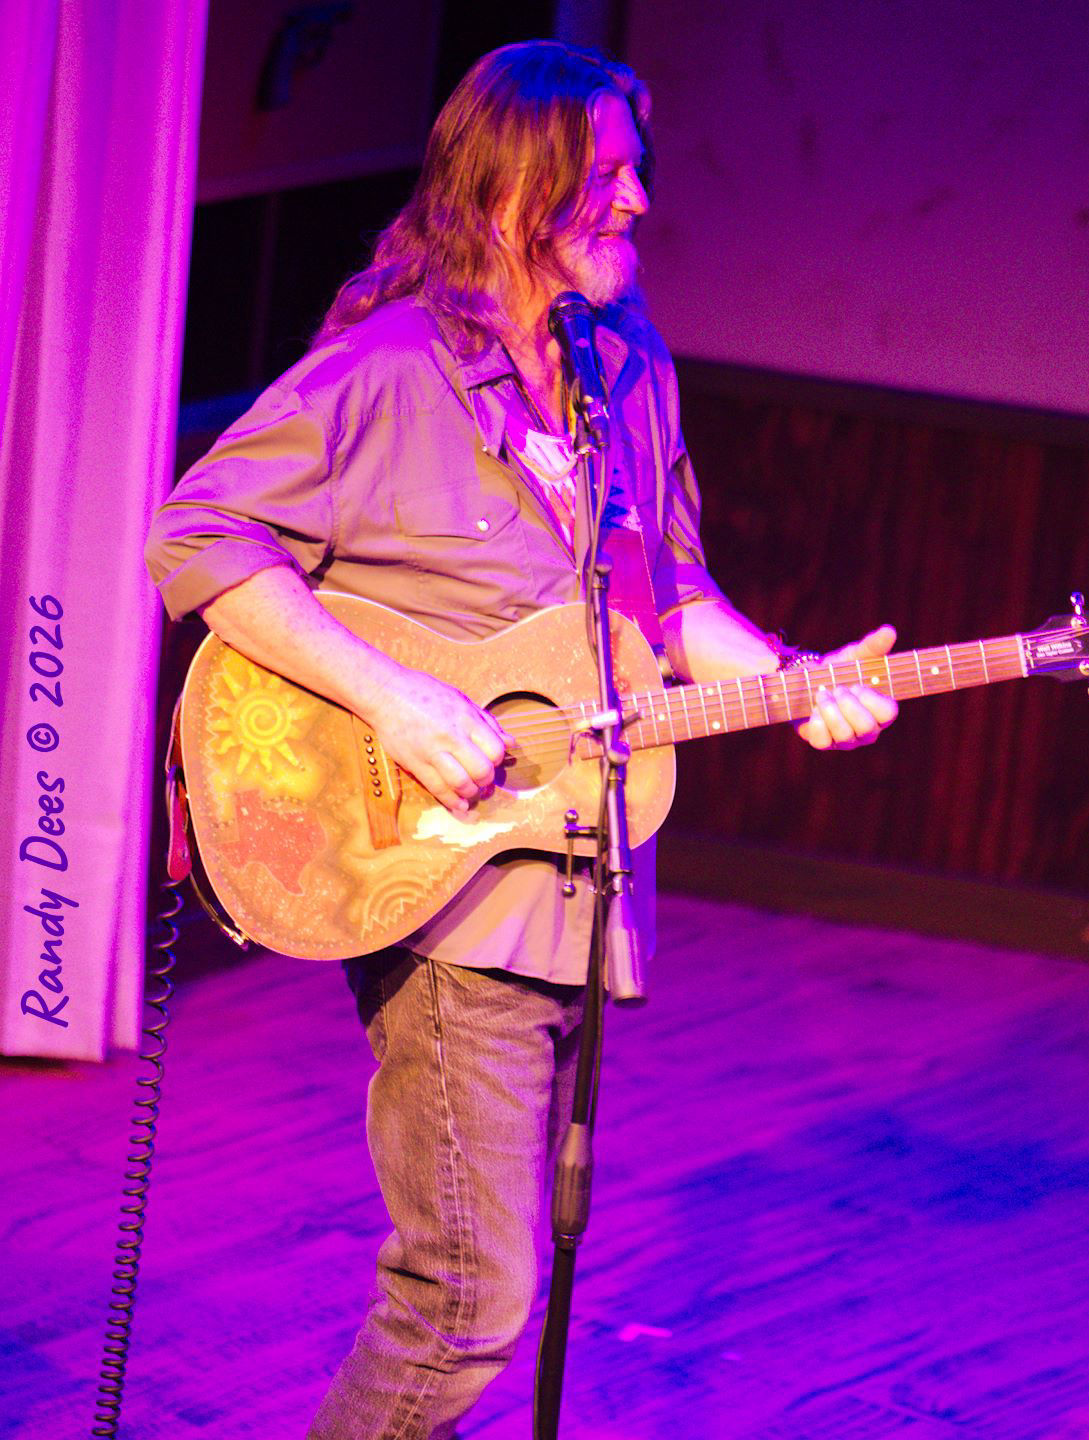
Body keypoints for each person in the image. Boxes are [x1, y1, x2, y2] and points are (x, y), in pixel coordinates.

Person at [146, 39, 898, 1440]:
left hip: (575, 867)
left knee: (492, 1286)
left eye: (636, 172)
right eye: (602, 176)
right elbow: (195, 534)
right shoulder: (383, 374)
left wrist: (797, 681)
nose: (636, 203)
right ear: (511, 190)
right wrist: (397, 697)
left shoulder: (629, 367)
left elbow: (665, 597)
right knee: (467, 1302)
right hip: (444, 883)